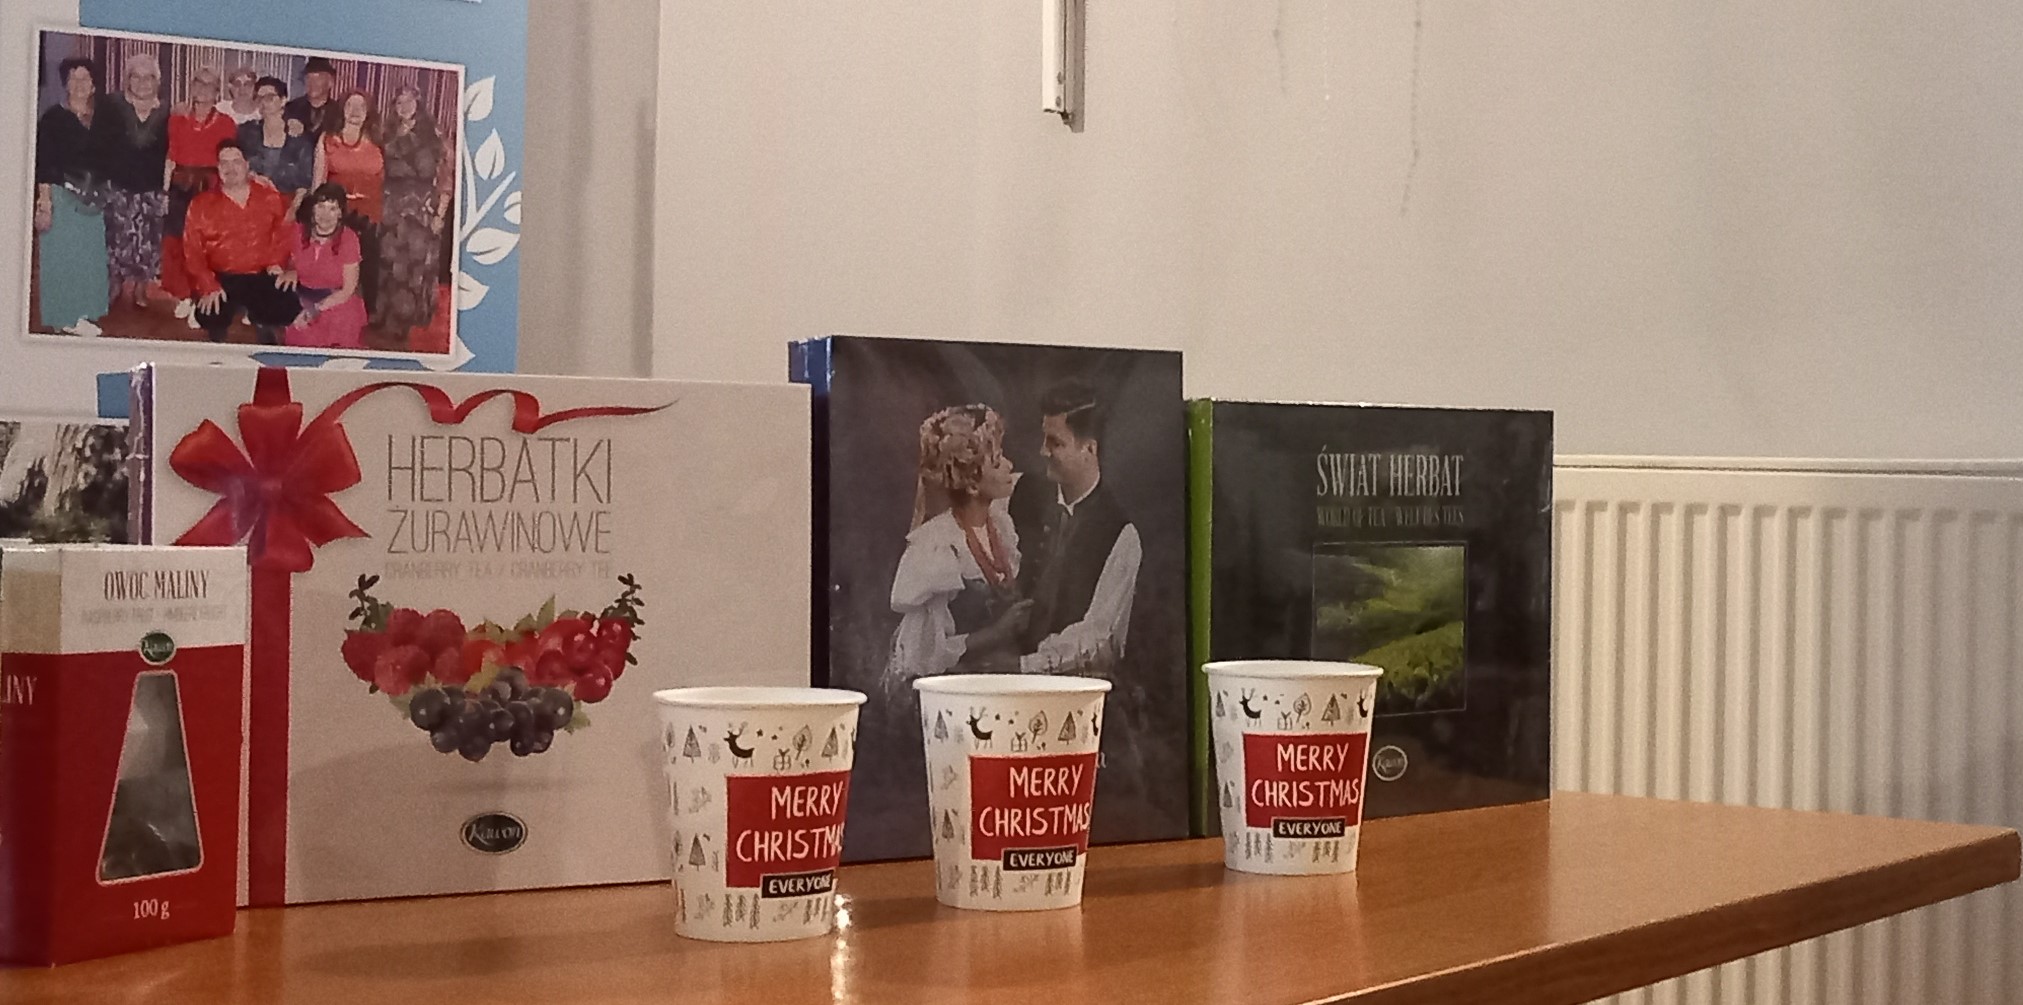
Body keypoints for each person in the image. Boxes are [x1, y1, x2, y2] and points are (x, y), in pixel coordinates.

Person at [1001, 379, 1142, 675]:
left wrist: (1022, 666)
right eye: (1044, 439)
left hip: (1065, 685)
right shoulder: (1018, 490)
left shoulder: (1121, 536)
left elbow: (1097, 636)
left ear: (1089, 448)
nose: (1043, 451)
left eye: (1055, 443)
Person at [886, 404, 1025, 683]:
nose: (1009, 465)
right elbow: (924, 656)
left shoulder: (999, 524)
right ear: (972, 486)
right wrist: (996, 633)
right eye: (997, 462)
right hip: (950, 687)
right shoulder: (938, 546)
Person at [183, 139, 299, 344]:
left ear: (247, 165)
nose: (230, 168)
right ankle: (218, 335)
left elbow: (284, 233)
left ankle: (263, 324)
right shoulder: (200, 204)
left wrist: (278, 263)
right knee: (210, 316)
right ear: (218, 168)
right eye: (224, 163)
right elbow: (192, 251)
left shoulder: (270, 197)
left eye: (236, 161)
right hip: (222, 276)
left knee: (287, 307)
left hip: (261, 274)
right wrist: (208, 285)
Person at [33, 57, 113, 336]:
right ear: (65, 84)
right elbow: (44, 163)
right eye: (73, 78)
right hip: (61, 196)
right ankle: (64, 318)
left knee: (88, 258)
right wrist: (45, 203)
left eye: (85, 78)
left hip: (93, 199)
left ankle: (82, 314)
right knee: (62, 258)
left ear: (94, 86)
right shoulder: (52, 118)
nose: (79, 84)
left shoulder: (102, 119)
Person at [163, 67, 240, 322]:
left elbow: (229, 162)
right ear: (192, 87)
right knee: (176, 243)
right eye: (199, 83)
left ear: (217, 92)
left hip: (210, 189)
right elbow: (170, 158)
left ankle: (201, 298)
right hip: (179, 187)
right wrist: (164, 192)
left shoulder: (226, 124)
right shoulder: (176, 120)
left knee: (205, 246)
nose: (203, 88)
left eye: (209, 85)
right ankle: (184, 295)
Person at [374, 84, 448, 341]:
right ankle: (384, 315)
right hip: (391, 208)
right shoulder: (387, 133)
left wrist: (440, 214)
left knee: (412, 267)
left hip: (421, 209)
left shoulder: (433, 135)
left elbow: (445, 178)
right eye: (399, 102)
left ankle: (405, 323)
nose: (404, 107)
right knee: (389, 263)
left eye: (409, 101)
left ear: (419, 104)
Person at [102, 52, 170, 312]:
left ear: (157, 82)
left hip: (152, 187)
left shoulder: (167, 112)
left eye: (148, 77)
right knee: (116, 239)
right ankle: (116, 283)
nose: (142, 82)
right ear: (127, 80)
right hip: (119, 185)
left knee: (148, 241)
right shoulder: (112, 106)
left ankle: (142, 287)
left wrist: (166, 190)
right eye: (136, 76)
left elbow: (171, 153)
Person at [312, 91, 384, 314]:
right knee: (337, 262)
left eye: (361, 106)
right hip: (337, 213)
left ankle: (366, 312)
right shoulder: (328, 139)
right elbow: (317, 182)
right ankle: (332, 309)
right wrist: (315, 217)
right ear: (342, 109)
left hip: (372, 215)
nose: (355, 111)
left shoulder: (379, 141)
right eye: (350, 105)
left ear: (368, 112)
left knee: (369, 264)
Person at [280, 183, 365, 350]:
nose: (325, 215)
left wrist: (315, 309)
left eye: (332, 209)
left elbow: (347, 290)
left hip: (337, 301)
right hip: (302, 298)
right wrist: (290, 270)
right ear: (313, 209)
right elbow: (278, 251)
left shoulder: (348, 239)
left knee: (341, 338)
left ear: (340, 213)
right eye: (321, 207)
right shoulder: (298, 232)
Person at [238, 77, 315, 206]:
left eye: (269, 97)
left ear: (283, 100)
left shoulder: (299, 138)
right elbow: (236, 164)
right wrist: (253, 177)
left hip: (290, 204)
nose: (263, 102)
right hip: (252, 201)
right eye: (259, 98)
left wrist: (293, 209)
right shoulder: (247, 132)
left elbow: (305, 182)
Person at [283, 57, 342, 140]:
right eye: (308, 77)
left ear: (330, 82)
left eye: (318, 77)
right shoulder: (291, 108)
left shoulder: (339, 113)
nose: (312, 82)